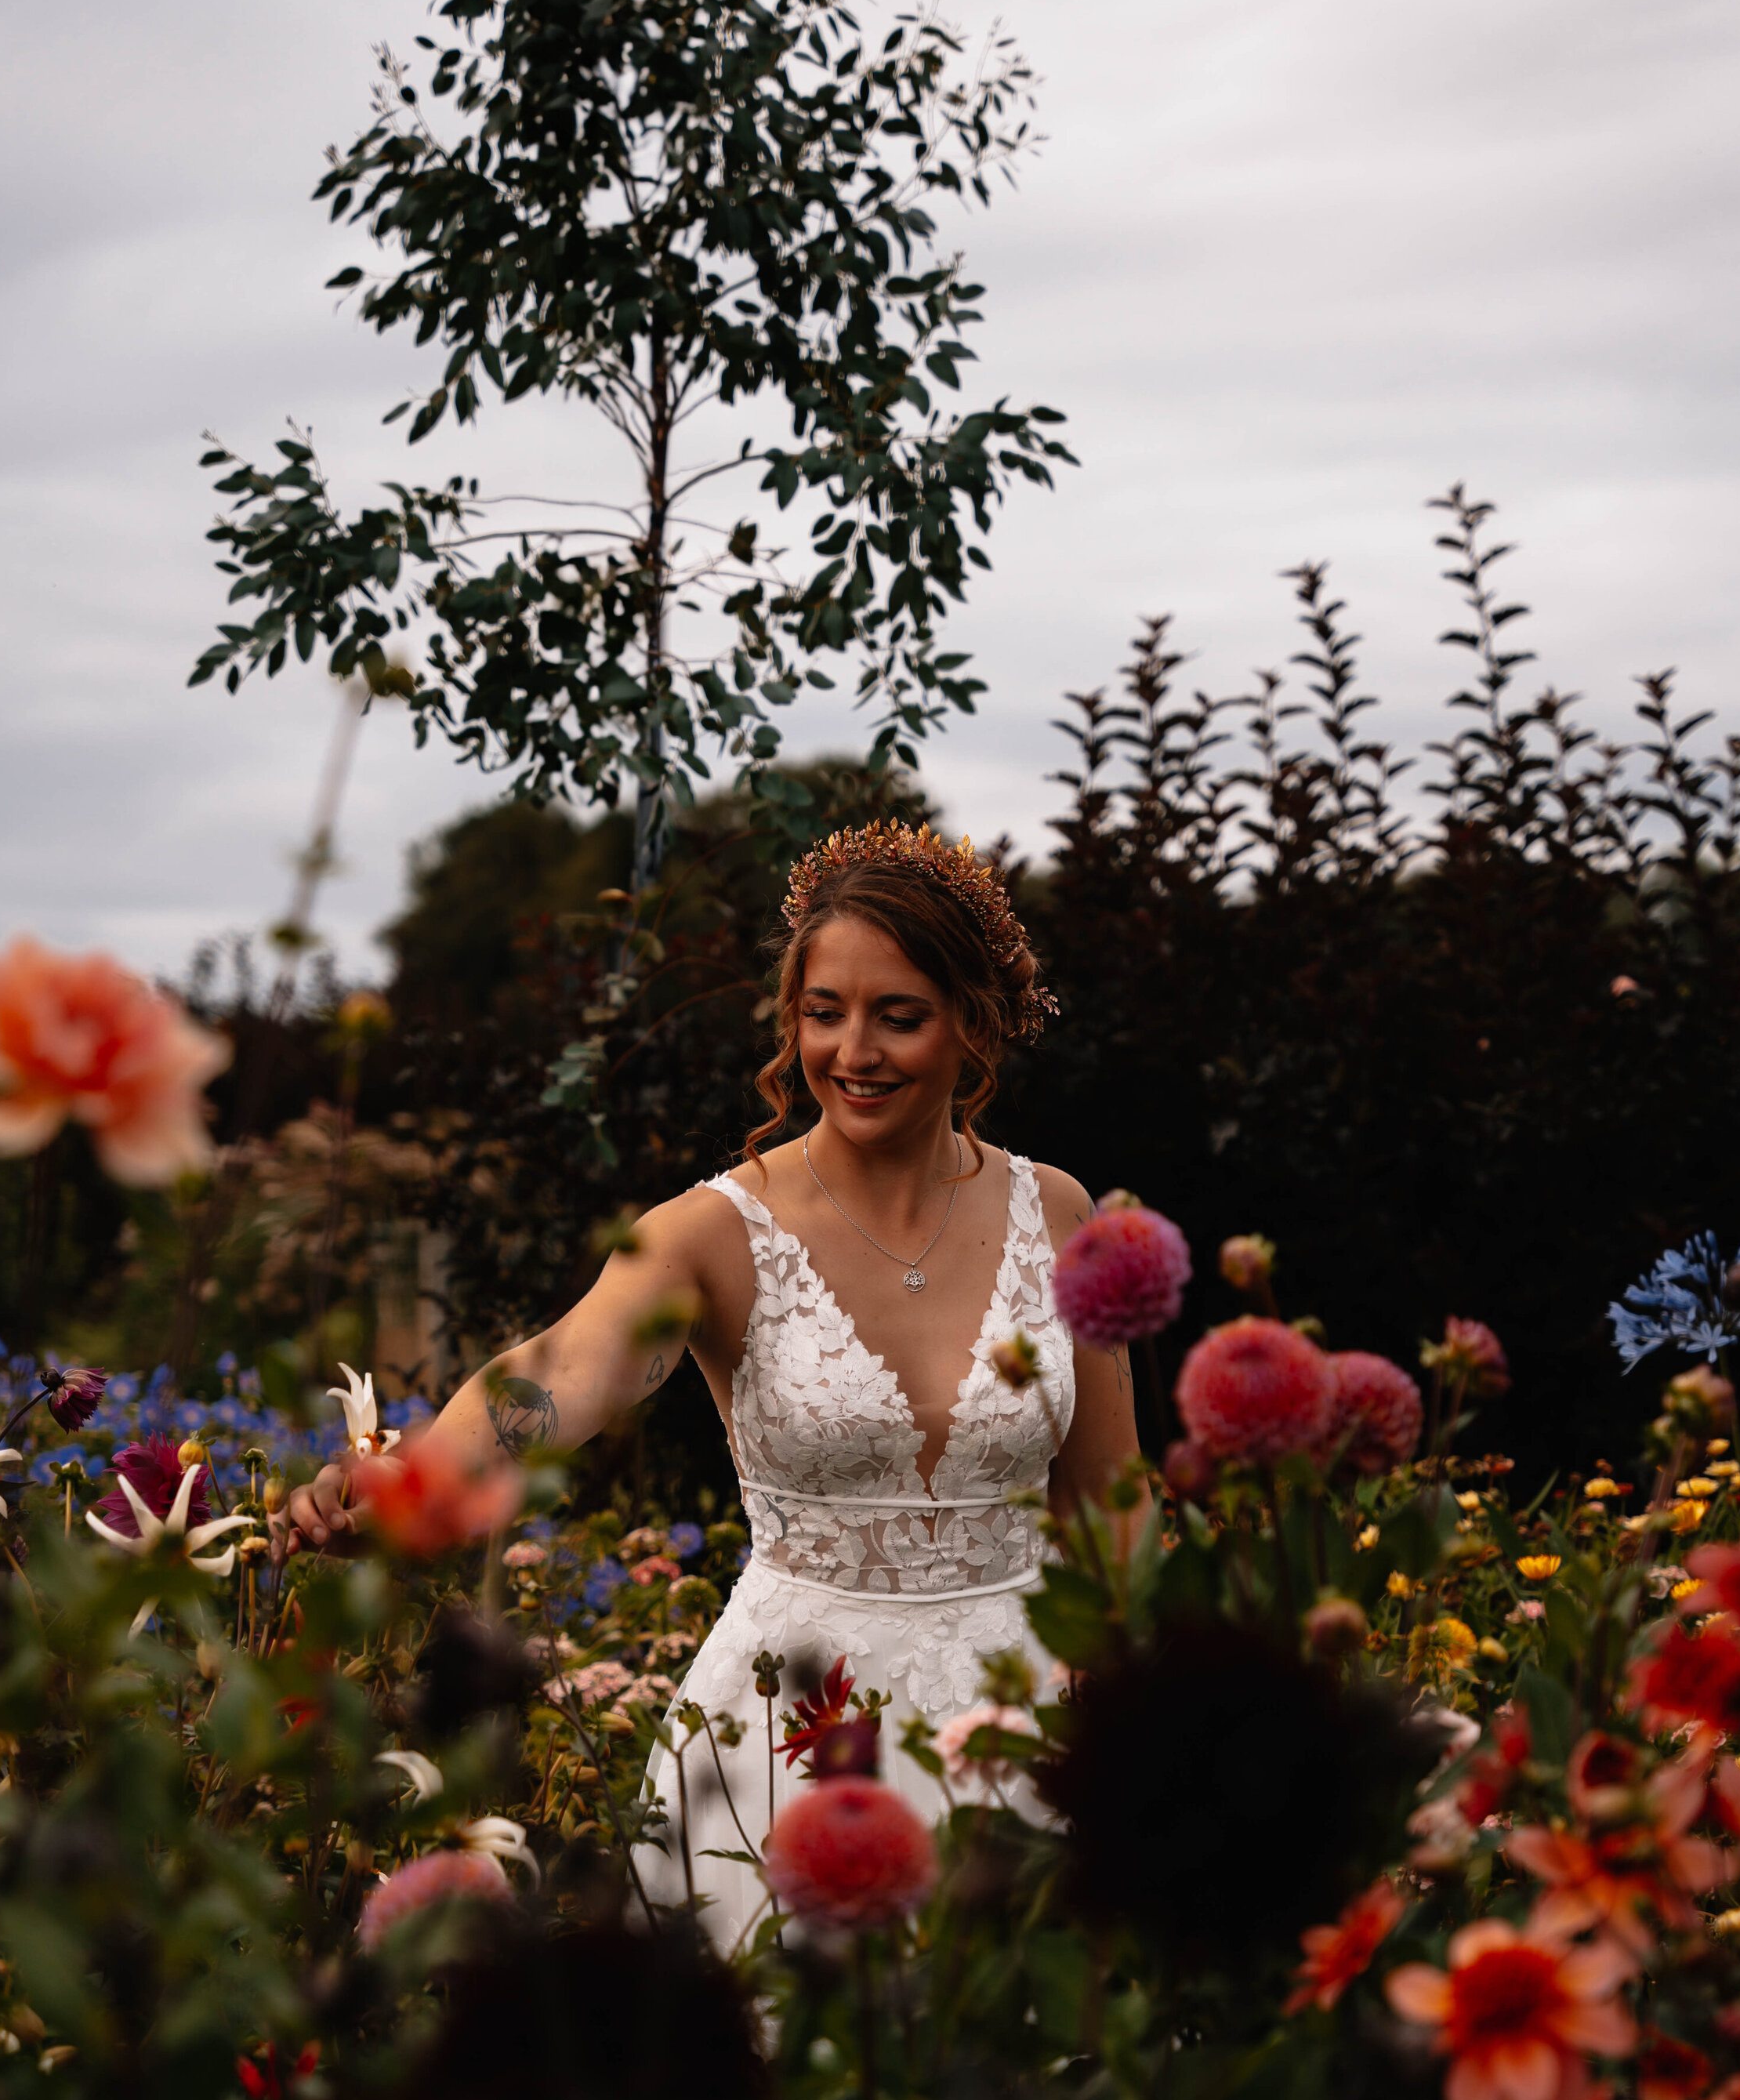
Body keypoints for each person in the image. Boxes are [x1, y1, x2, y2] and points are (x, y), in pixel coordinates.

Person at [281, 819, 1138, 1945]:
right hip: (789, 1732)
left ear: (971, 1023)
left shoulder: (1060, 1214)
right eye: (823, 1012)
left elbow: (1112, 1502)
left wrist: (1136, 1709)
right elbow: (555, 1377)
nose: (854, 1051)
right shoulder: (710, 1236)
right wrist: (412, 1482)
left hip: (1027, 1726)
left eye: (900, 1016)